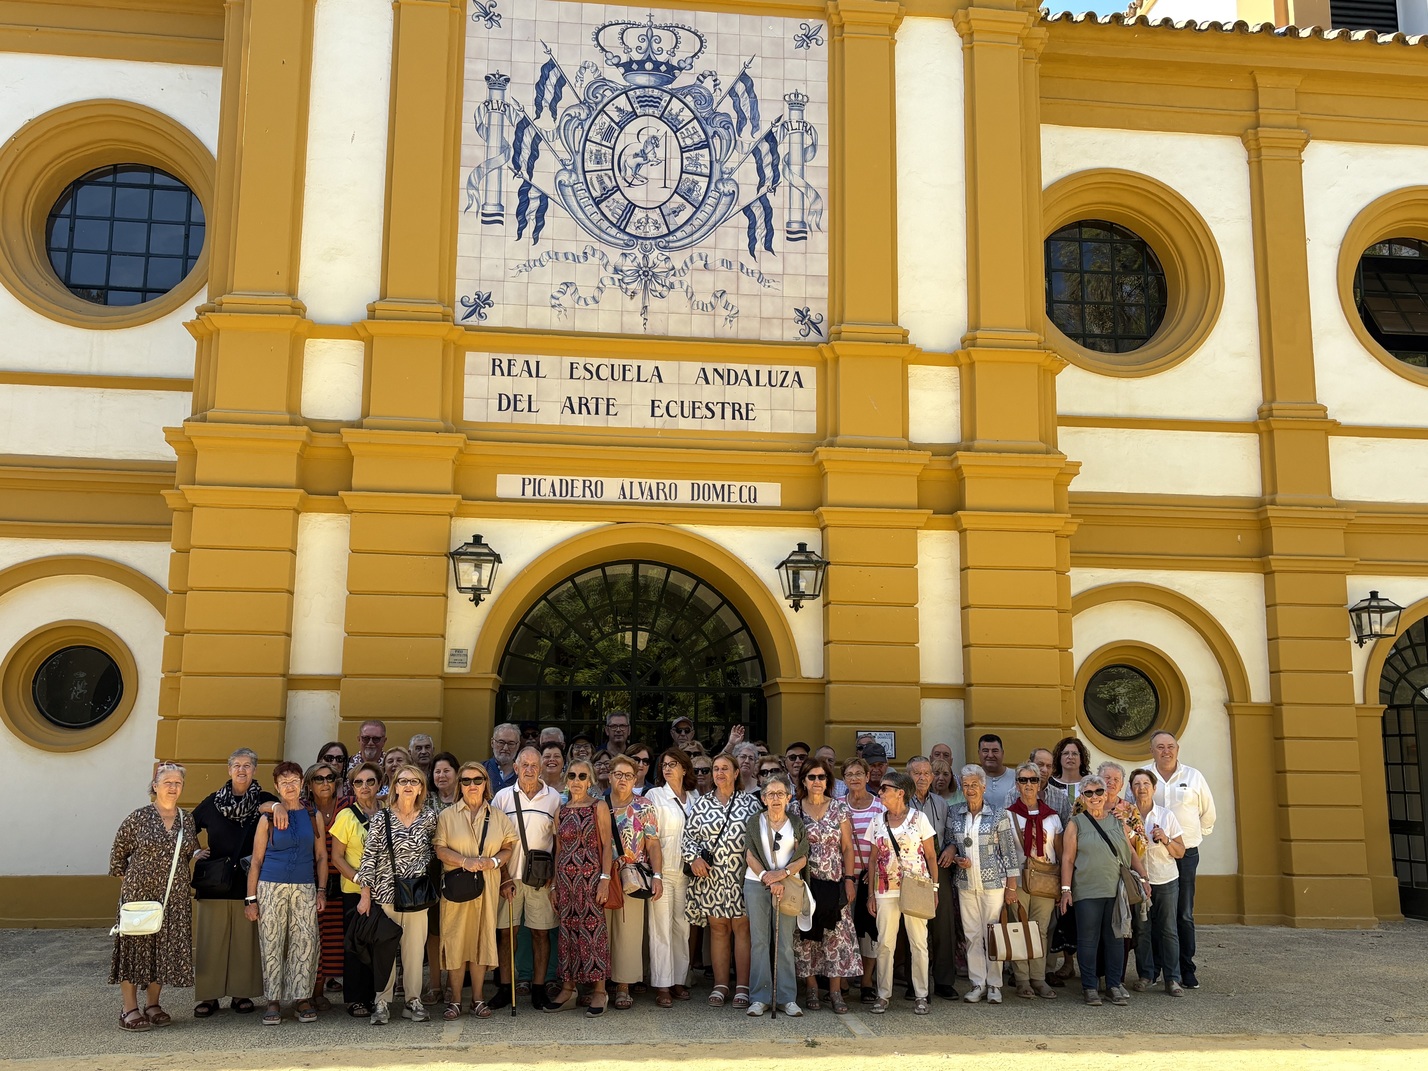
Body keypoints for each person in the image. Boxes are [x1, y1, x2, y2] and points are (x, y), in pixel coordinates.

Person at [192, 748, 285, 1018]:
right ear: (229, 769)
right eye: (236, 765)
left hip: (250, 881)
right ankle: (209, 996)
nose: (242, 770)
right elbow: (187, 827)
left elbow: (274, 810)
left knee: (245, 942)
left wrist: (277, 805)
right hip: (215, 882)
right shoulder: (212, 802)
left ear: (255, 770)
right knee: (212, 941)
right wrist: (196, 851)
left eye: (247, 765)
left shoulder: (265, 800)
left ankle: (241, 993)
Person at [110, 762, 200, 1031]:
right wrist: (136, 882)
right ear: (155, 786)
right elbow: (118, 855)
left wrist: (201, 854)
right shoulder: (138, 817)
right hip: (140, 896)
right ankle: (129, 1009)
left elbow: (190, 850)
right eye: (168, 782)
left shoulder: (187, 819)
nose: (173, 787)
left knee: (163, 950)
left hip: (174, 898)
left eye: (178, 783)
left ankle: (152, 1004)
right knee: (134, 951)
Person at [354, 763, 440, 1025]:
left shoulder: (429, 817)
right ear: (394, 787)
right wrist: (365, 895)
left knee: (414, 952)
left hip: (417, 895)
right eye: (403, 781)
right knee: (385, 951)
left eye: (413, 782)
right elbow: (369, 857)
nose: (408, 786)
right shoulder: (382, 818)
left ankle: (413, 1000)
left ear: (421, 788)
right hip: (386, 894)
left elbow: (436, 854)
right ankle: (382, 1001)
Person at [433, 761, 518, 1019]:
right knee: (456, 940)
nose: (472, 785)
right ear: (460, 785)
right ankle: (456, 1000)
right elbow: (440, 849)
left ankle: (478, 999)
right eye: (466, 781)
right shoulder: (447, 816)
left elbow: (507, 848)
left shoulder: (499, 817)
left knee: (482, 941)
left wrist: (493, 862)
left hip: (487, 886)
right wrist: (466, 862)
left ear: (486, 784)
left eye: (477, 780)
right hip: (457, 888)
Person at [247, 761, 328, 1025]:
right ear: (276, 787)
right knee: (271, 941)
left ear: (302, 784)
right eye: (284, 782)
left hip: (305, 886)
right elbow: (256, 861)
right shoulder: (267, 817)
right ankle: (272, 1000)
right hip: (271, 886)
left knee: (305, 941)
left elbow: (321, 857)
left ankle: (301, 998)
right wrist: (251, 899)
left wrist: (322, 890)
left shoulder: (312, 814)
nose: (290, 786)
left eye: (294, 780)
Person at [1058, 773, 1149, 1007]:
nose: (1095, 797)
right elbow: (1068, 859)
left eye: (1099, 791)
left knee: (1116, 938)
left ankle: (1114, 986)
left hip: (1116, 890)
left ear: (1106, 793)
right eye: (1088, 793)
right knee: (1088, 941)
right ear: (1083, 797)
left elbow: (1130, 852)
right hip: (1087, 891)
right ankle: (1089, 987)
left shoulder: (1119, 820)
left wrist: (1145, 878)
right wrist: (1066, 890)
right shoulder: (1076, 823)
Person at [682, 751, 762, 1009]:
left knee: (742, 930)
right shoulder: (702, 804)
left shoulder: (750, 804)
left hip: (742, 877)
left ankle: (742, 985)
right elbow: (688, 838)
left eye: (725, 768)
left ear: (737, 773)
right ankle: (720, 984)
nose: (719, 773)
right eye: (716, 768)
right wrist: (694, 858)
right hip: (711, 878)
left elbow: (761, 839)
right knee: (718, 930)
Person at [490, 746, 560, 1010]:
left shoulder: (554, 798)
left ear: (541, 768)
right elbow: (494, 841)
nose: (530, 770)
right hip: (510, 877)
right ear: (516, 768)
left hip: (540, 879)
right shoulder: (502, 797)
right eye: (525, 765)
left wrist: (553, 877)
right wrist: (504, 877)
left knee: (541, 934)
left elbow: (558, 841)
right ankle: (506, 989)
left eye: (534, 765)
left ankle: (539, 989)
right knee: (507, 933)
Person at [544, 758, 614, 1017]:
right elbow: (559, 849)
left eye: (582, 776)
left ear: (591, 780)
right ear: (566, 779)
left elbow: (607, 845)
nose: (576, 781)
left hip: (591, 880)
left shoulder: (599, 807)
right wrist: (553, 886)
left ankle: (599, 991)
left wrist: (604, 879)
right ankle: (568, 988)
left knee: (594, 934)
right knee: (568, 935)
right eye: (572, 775)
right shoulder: (561, 811)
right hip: (566, 882)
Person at [864, 771, 939, 1015]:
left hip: (916, 888)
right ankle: (883, 995)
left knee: (918, 942)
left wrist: (934, 888)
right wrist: (871, 894)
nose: (881, 792)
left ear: (900, 792)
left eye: (885, 788)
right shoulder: (877, 821)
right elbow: (873, 861)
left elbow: (930, 856)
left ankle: (921, 995)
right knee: (885, 943)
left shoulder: (919, 819)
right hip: (885, 889)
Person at [791, 757, 861, 1014]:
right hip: (807, 883)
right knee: (807, 937)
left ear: (828, 781)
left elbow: (847, 847)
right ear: (804, 781)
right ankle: (811, 987)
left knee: (836, 938)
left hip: (834, 881)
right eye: (812, 777)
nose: (817, 782)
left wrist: (850, 880)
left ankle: (834, 991)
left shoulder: (839, 809)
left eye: (821, 777)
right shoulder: (794, 809)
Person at [949, 764, 1022, 1004]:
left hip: (993, 883)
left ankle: (994, 985)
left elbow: (1009, 853)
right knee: (972, 935)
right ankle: (977, 983)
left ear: (983, 786)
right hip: (966, 883)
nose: (970, 789)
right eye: (966, 785)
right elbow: (951, 843)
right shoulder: (955, 813)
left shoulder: (998, 814)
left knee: (993, 934)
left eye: (974, 785)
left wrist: (1012, 886)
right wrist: (957, 857)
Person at [1150, 730, 1215, 990]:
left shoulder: (1193, 776)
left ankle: (1186, 968)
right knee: (1155, 913)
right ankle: (1155, 968)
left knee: (1184, 914)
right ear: (1151, 750)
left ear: (1177, 749)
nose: (1166, 751)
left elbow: (1207, 814)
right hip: (1154, 855)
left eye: (1170, 746)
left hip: (1185, 853)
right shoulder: (1144, 776)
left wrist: (1191, 838)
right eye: (1160, 747)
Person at [743, 773, 809, 1017]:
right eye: (770, 794)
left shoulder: (796, 823)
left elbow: (803, 856)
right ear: (763, 798)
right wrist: (768, 879)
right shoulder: (754, 822)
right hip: (757, 884)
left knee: (784, 943)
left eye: (780, 794)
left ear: (789, 797)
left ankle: (786, 998)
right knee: (759, 941)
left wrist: (782, 875)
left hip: (788, 886)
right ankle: (759, 998)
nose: (776, 798)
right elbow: (750, 855)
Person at [606, 754, 663, 1008]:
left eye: (628, 775)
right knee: (602, 929)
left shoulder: (644, 806)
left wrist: (658, 876)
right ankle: (599, 982)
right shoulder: (598, 804)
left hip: (633, 875)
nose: (623, 779)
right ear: (609, 776)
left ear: (635, 778)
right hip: (604, 875)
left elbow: (653, 844)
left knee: (628, 932)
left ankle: (623, 985)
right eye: (618, 774)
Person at [329, 762, 382, 1018]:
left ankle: (377, 996)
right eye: (359, 782)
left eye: (370, 781)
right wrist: (360, 880)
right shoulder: (346, 816)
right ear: (352, 786)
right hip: (354, 891)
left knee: (379, 945)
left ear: (379, 784)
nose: (364, 787)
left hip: (384, 891)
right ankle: (355, 999)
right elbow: (337, 858)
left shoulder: (387, 812)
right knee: (356, 945)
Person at [646, 748, 697, 1006]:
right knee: (661, 929)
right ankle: (662, 984)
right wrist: (655, 873)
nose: (667, 768)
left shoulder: (696, 797)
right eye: (664, 764)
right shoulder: (654, 795)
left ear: (684, 768)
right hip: (662, 871)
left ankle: (679, 980)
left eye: (673, 764)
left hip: (687, 873)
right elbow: (649, 836)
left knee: (682, 928)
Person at [1128, 767, 1185, 996]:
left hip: (1165, 879)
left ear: (1154, 788)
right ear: (1131, 789)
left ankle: (1173, 978)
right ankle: (1146, 974)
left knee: (1168, 930)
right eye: (1137, 785)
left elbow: (1180, 851)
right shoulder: (1128, 817)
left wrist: (1166, 838)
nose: (1142, 788)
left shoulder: (1166, 815)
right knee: (1142, 930)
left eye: (1146, 784)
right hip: (1138, 882)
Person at [1007, 761, 1062, 999]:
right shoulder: (1008, 816)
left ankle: (1038, 978)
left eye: (1033, 780)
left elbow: (1059, 853)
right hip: (1018, 879)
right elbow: (1005, 852)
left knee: (1040, 929)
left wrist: (1063, 885)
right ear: (1017, 785)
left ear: (1040, 783)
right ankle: (1022, 979)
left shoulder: (1052, 817)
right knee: (1018, 928)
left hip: (1045, 880)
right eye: (1023, 780)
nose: (1028, 785)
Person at [907, 755, 958, 1001]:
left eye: (927, 773)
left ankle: (944, 981)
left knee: (943, 924)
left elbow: (950, 835)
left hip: (938, 866)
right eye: (917, 773)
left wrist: (951, 849)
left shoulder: (941, 803)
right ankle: (914, 982)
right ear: (909, 776)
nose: (923, 777)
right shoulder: (901, 802)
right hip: (911, 870)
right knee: (913, 927)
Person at [302, 762, 346, 1011]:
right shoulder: (302, 809)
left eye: (330, 778)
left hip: (341, 881)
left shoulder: (346, 806)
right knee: (312, 940)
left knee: (332, 942)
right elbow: (267, 806)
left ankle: (322, 991)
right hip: (310, 882)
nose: (325, 782)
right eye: (319, 779)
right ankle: (311, 993)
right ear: (309, 784)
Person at [841, 756, 884, 1002]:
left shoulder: (880, 807)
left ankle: (867, 981)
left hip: (872, 878)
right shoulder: (837, 805)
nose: (855, 778)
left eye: (859, 773)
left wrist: (875, 869)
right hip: (843, 877)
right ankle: (844, 979)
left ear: (868, 777)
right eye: (849, 774)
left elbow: (885, 843)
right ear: (844, 779)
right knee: (844, 929)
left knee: (870, 931)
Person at [422, 750, 460, 1005]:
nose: (442, 775)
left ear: (457, 774)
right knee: (434, 930)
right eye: (437, 771)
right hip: (431, 870)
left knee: (457, 929)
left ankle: (453, 985)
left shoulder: (468, 799)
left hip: (460, 869)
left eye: (447, 770)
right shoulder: (426, 800)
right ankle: (435, 984)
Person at [1044, 736, 1091, 820]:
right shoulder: (1048, 783)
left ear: (1081, 759)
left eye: (1074, 753)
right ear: (1059, 757)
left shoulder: (1090, 783)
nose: (1070, 757)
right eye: (1066, 753)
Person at [978, 734, 1017, 809]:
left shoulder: (1016, 777)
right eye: (985, 751)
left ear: (1002, 753)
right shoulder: (971, 778)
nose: (990, 755)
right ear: (979, 753)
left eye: (995, 751)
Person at [483, 722, 521, 794]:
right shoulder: (480, 770)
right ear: (492, 743)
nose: (505, 748)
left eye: (511, 743)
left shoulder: (523, 773)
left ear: (518, 745)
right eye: (501, 742)